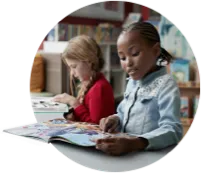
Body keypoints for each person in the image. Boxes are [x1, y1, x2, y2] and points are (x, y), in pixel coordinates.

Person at [94, 22, 183, 156]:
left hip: (150, 157)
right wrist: (115, 120)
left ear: (155, 51)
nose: (128, 63)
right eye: (122, 58)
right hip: (127, 155)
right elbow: (124, 113)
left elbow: (173, 130)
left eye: (134, 53)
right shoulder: (132, 81)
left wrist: (135, 143)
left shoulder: (166, 85)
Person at [53, 35, 115, 124]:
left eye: (74, 67)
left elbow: (95, 126)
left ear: (89, 61)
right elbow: (85, 116)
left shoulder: (99, 88)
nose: (72, 73)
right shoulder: (89, 83)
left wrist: (74, 103)